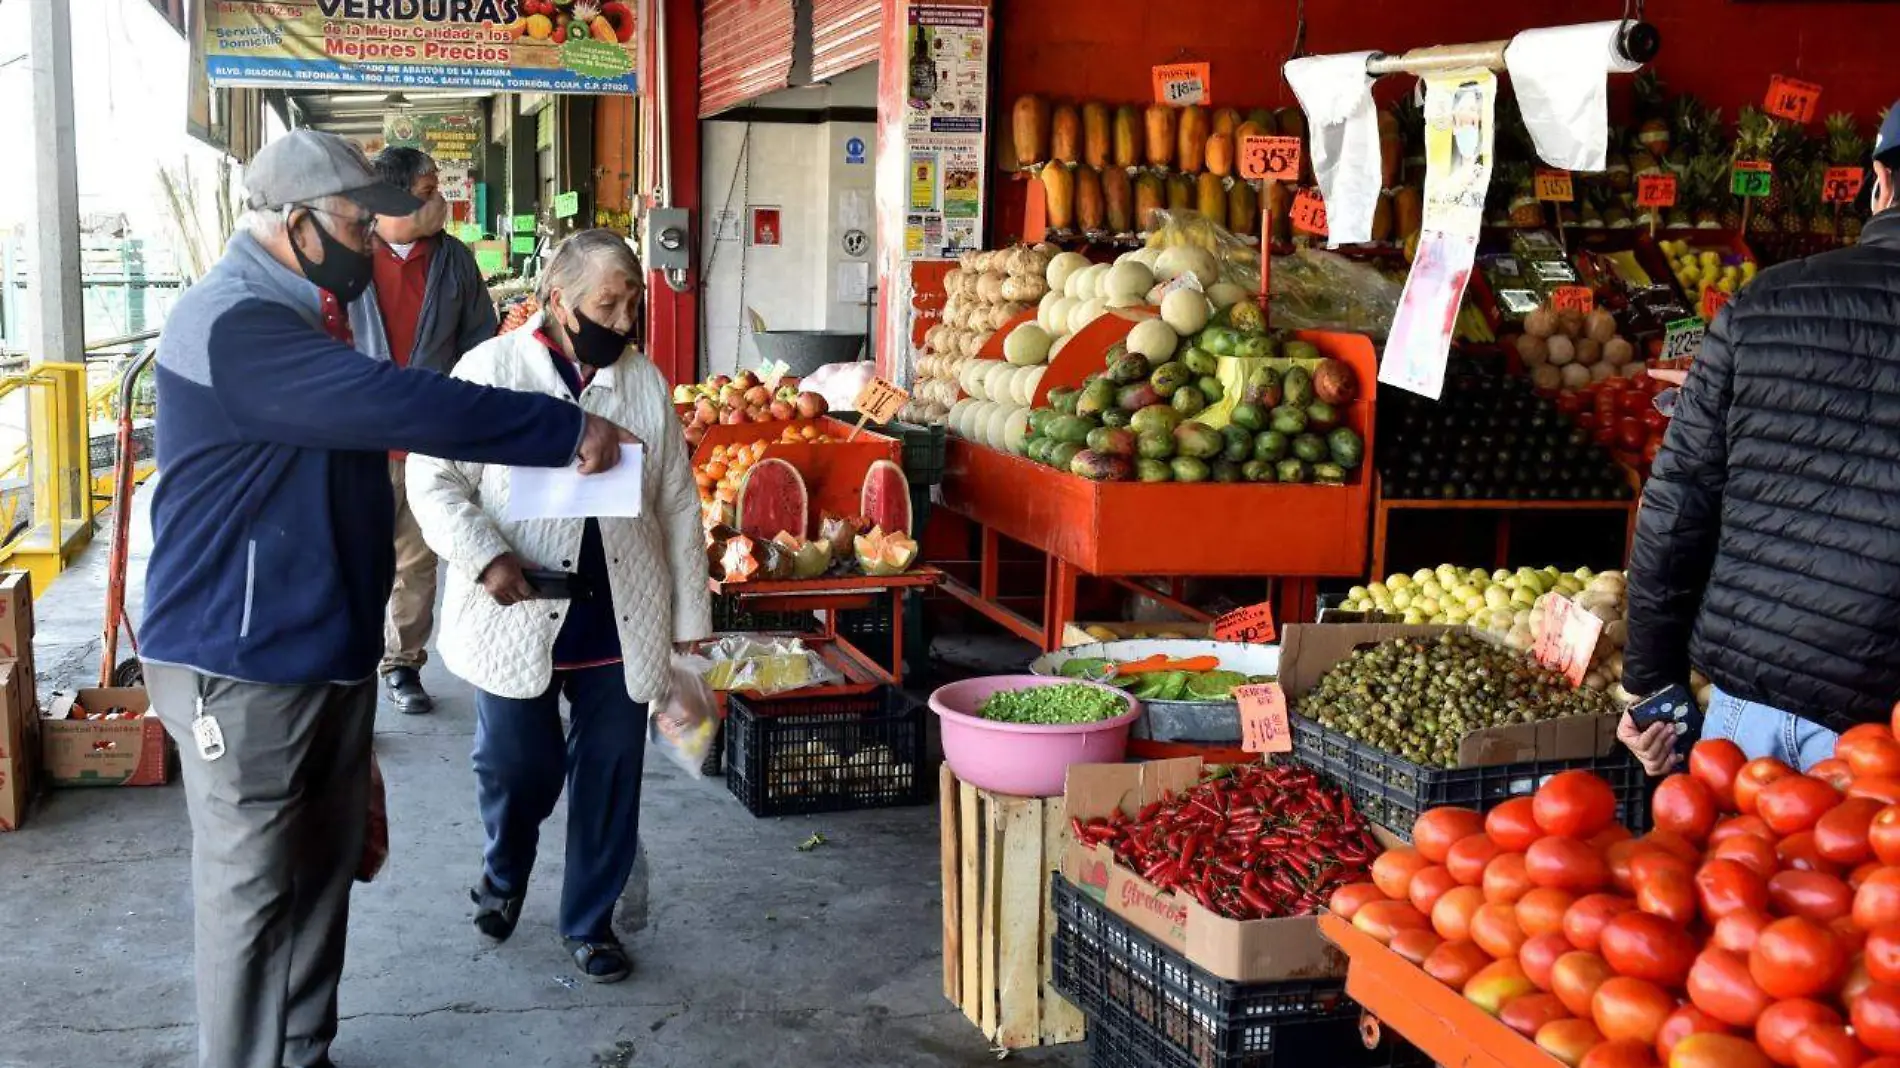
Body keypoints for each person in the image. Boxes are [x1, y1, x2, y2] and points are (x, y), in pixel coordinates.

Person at [141, 130, 638, 1068]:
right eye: (360, 225)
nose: (377, 241)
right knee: (252, 887)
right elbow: (403, 405)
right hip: (237, 661)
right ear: (296, 225)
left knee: (326, 864)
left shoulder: (311, 309)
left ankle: (302, 1046)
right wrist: (560, 427)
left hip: (322, 645)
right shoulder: (237, 321)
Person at [407, 230, 710, 984]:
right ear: (556, 302)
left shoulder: (643, 384)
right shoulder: (491, 370)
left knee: (610, 774)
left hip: (620, 612)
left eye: (633, 300)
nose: (625, 318)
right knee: (518, 767)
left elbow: (676, 503)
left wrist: (690, 626)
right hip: (516, 608)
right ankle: (505, 872)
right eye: (607, 303)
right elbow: (433, 478)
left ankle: (590, 921)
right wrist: (484, 556)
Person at [1618, 102, 1900, 777]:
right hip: (1883, 733)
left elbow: (1676, 506)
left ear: (1879, 182)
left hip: (1749, 713)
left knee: (1723, 875)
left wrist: (1654, 686)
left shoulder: (1763, 302)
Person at [349, 146, 500, 715]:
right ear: (395, 196)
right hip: (358, 441)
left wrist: (471, 422)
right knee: (355, 557)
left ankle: (402, 664)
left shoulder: (455, 260)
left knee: (416, 562)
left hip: (428, 444)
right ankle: (348, 667)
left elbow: (479, 344)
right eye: (430, 187)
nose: (443, 197)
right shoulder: (351, 255)